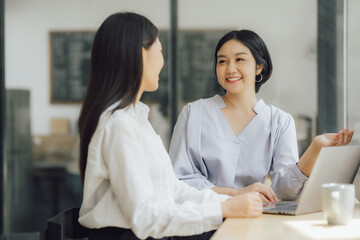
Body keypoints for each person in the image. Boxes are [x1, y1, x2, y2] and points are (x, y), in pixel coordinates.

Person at [78, 13, 264, 240]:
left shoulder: (136, 119)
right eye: (160, 51)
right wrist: (223, 209)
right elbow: (146, 217)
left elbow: (171, 190)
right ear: (140, 54)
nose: (162, 62)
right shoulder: (119, 125)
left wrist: (230, 202)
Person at [169, 30, 353, 203]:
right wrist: (236, 194)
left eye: (240, 59)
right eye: (222, 61)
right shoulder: (194, 113)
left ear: (259, 67)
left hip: (254, 217)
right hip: (204, 217)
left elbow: (284, 190)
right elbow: (179, 181)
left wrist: (315, 148)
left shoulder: (280, 121)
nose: (230, 68)